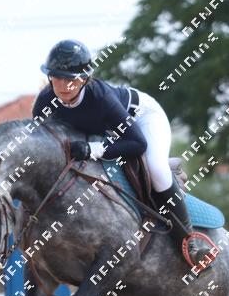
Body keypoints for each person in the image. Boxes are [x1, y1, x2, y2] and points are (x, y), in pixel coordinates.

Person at [32, 39, 216, 271]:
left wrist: (93, 150)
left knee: (156, 170)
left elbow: (137, 143)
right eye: (57, 77)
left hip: (142, 120)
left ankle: (191, 244)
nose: (64, 85)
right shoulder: (45, 102)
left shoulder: (100, 99)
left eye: (72, 79)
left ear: (85, 79)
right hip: (107, 132)